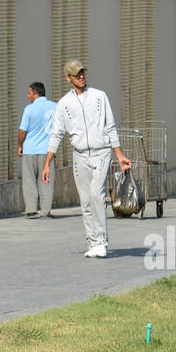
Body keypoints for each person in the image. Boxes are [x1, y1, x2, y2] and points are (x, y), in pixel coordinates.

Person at [41, 60, 131, 258]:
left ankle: (101, 241)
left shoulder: (99, 97)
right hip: (80, 155)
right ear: (68, 78)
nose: (81, 76)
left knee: (95, 194)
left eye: (82, 72)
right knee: (85, 200)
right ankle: (92, 242)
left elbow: (110, 127)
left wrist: (120, 155)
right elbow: (56, 134)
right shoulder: (64, 104)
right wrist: (47, 163)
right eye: (76, 74)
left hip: (101, 152)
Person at [17, 82, 57, 218]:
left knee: (29, 180)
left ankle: (31, 210)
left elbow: (22, 131)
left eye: (29, 93)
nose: (28, 96)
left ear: (36, 94)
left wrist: (20, 145)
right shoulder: (55, 107)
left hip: (30, 150)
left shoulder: (29, 109)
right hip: (48, 151)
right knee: (46, 180)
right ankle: (46, 211)